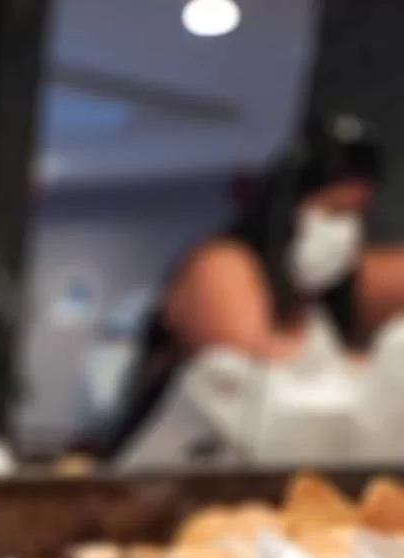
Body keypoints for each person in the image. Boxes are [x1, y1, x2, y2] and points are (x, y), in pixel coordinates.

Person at [106, 113, 404, 458]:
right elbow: (249, 381)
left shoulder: (320, 297)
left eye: (357, 216)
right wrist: (360, 375)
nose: (344, 230)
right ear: (287, 206)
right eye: (333, 212)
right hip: (172, 480)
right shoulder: (221, 263)